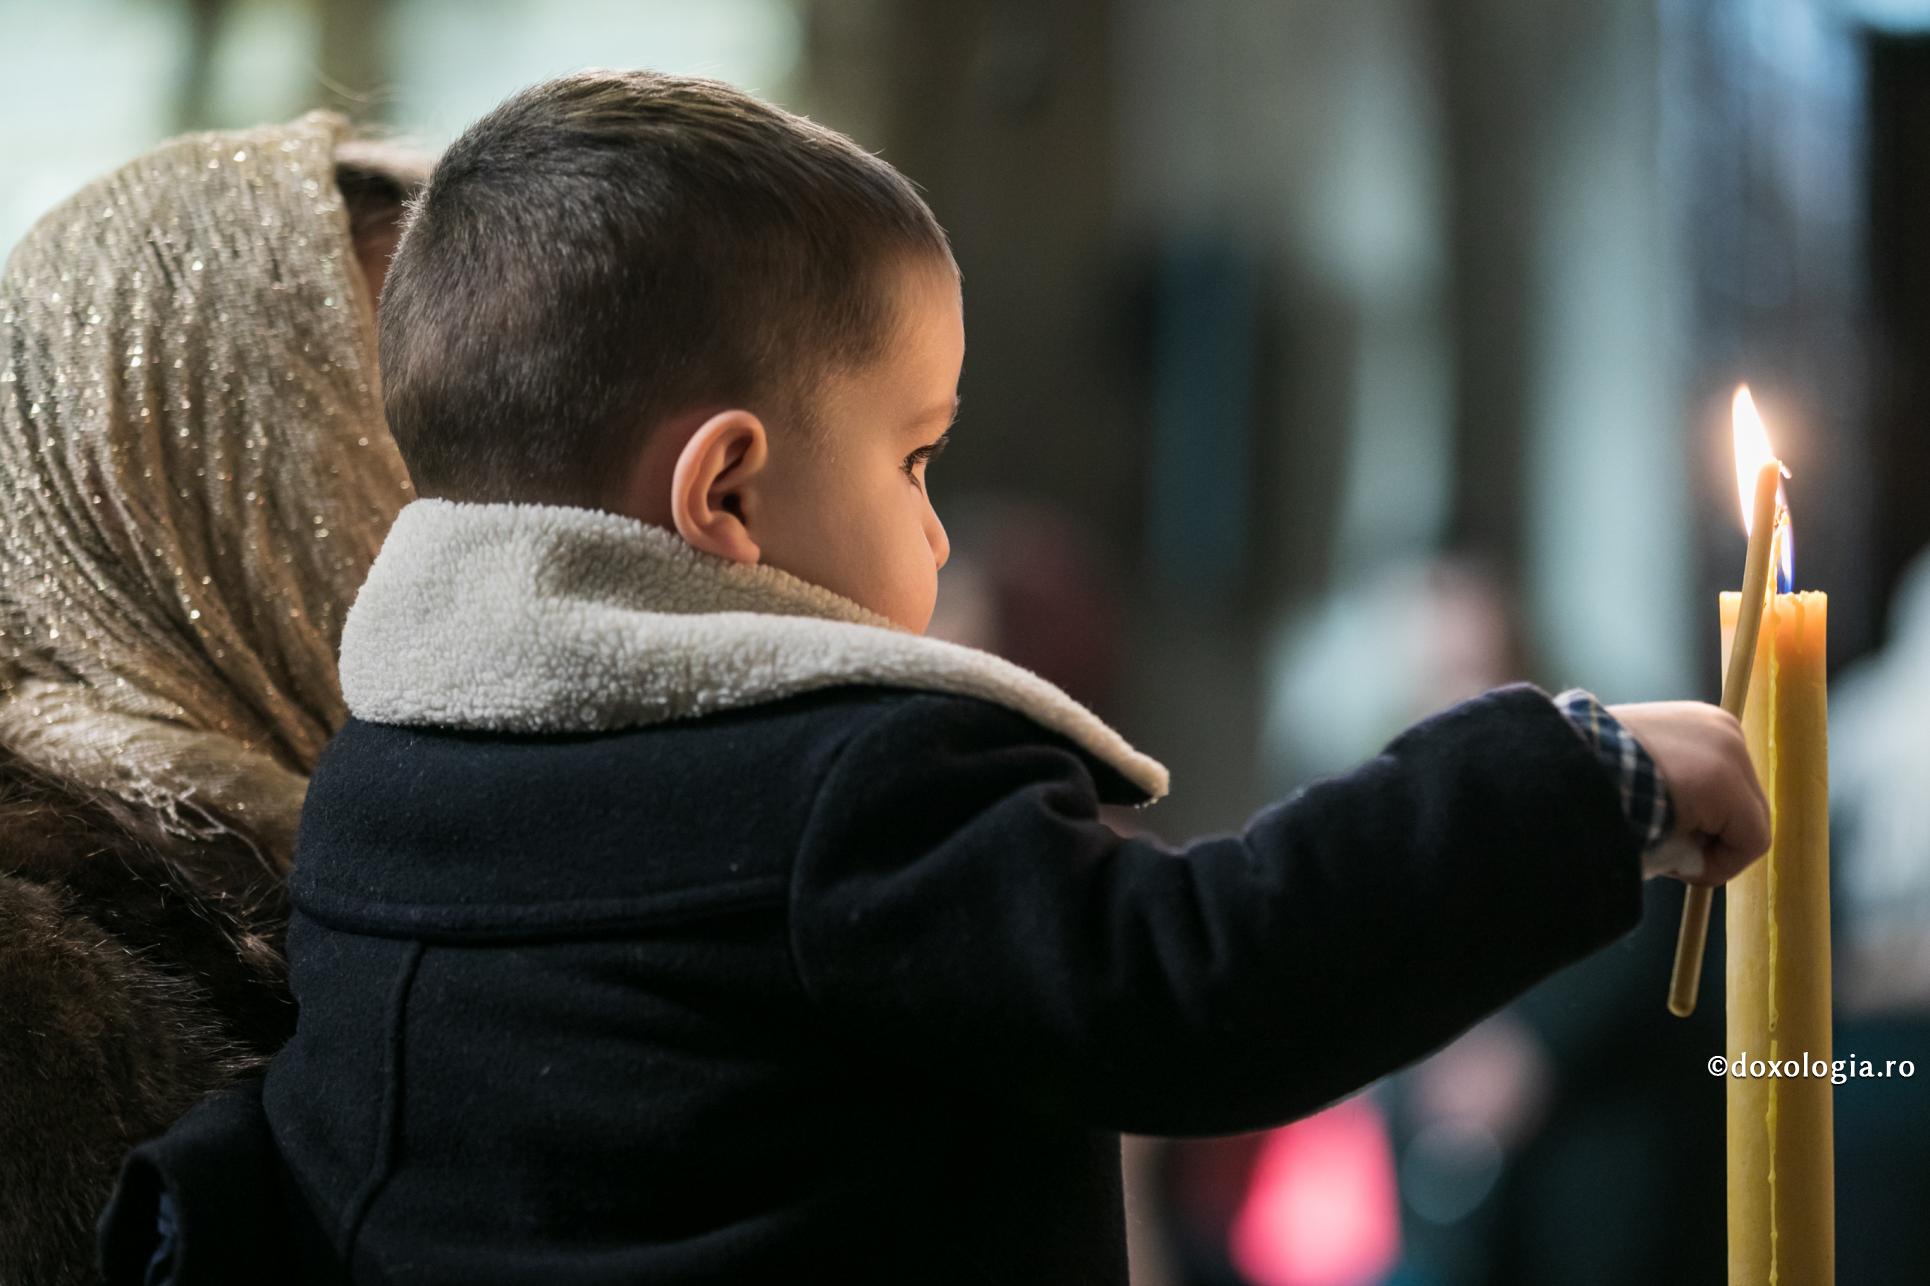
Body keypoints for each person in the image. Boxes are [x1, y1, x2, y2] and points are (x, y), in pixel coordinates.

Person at [105, 72, 1769, 1285]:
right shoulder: (842, 783)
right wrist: (1569, 774)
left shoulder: (381, 782)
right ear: (728, 496)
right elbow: (1198, 984)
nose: (933, 521)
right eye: (917, 457)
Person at [0, 113, 426, 1284]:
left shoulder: (461, 856)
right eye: (433, 440)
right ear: (192, 480)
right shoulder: (44, 1004)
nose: (516, 523)